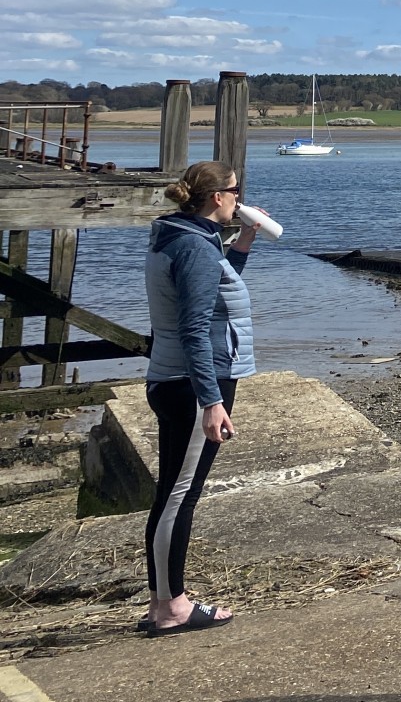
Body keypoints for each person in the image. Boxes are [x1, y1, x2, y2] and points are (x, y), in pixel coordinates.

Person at [141, 159, 258, 635]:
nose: (239, 199)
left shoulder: (183, 236)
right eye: (236, 191)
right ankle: (172, 608)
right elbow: (193, 328)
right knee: (178, 497)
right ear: (217, 198)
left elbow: (213, 290)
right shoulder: (194, 247)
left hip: (177, 379)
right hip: (191, 384)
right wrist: (211, 401)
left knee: (173, 492)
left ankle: (162, 602)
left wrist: (242, 245)